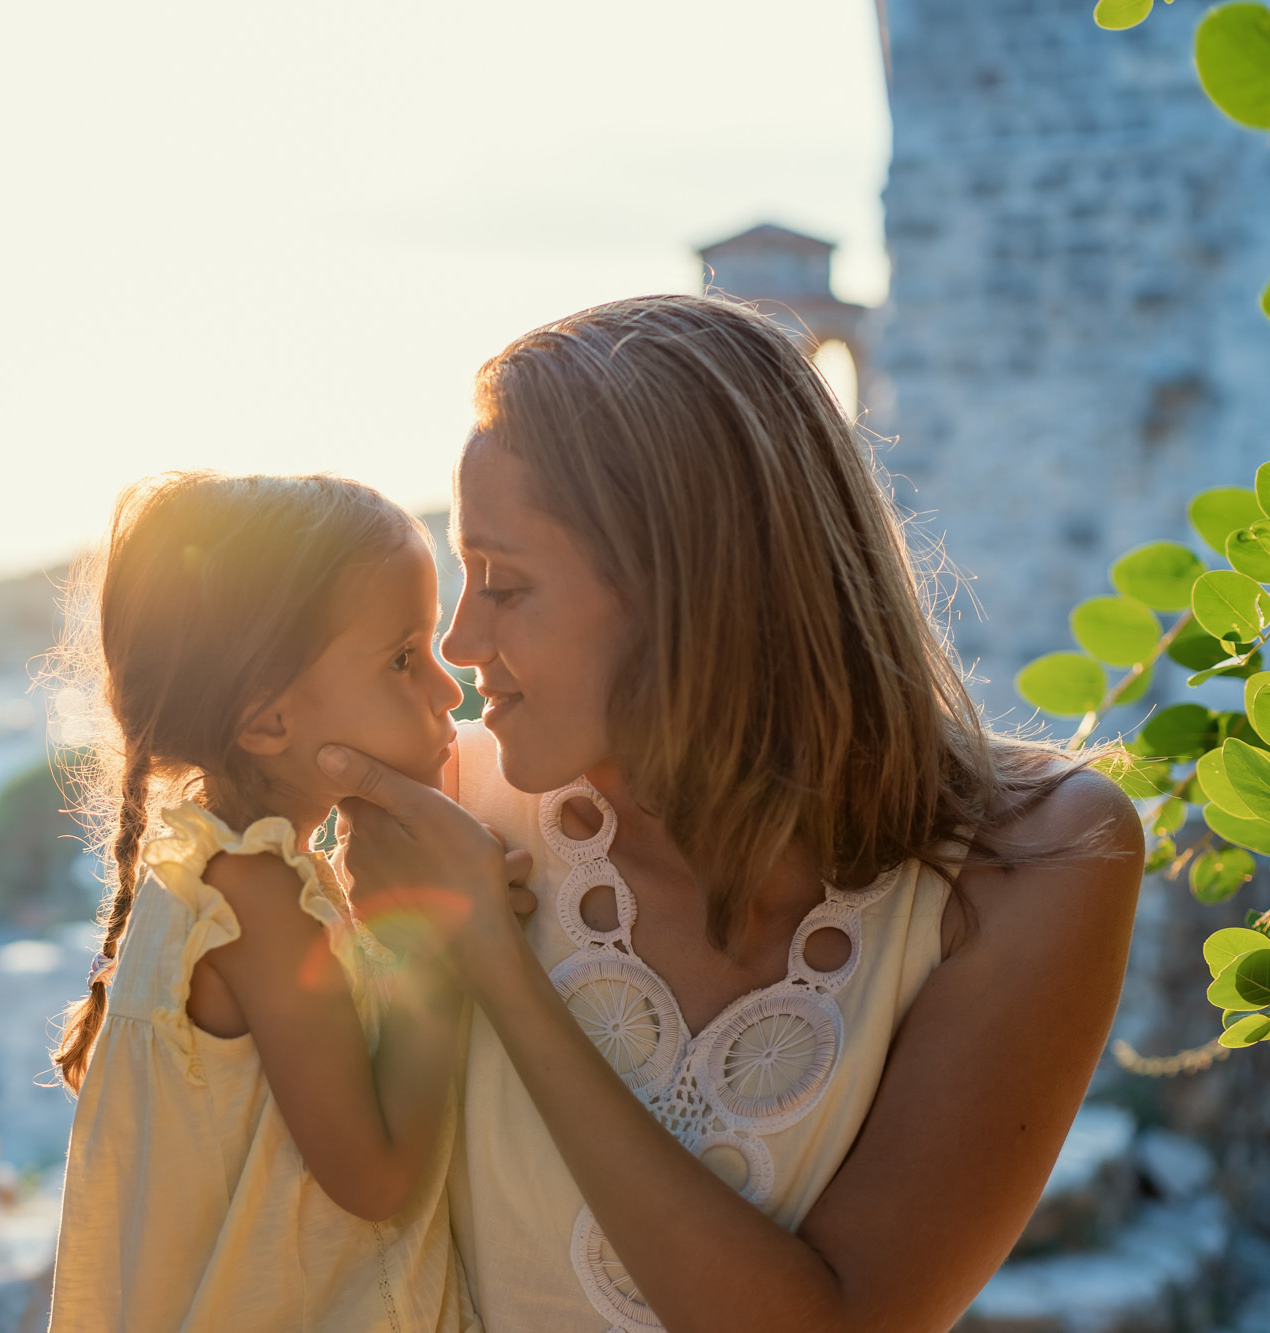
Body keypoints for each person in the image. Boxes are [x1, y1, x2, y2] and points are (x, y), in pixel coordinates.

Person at [319, 295, 1145, 1333]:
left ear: (688, 591)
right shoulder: (439, 803)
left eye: (502, 583)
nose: (458, 641)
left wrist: (491, 955)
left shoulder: (1039, 858)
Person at [45, 472, 486, 1332]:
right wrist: (437, 942)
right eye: (404, 658)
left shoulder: (212, 874)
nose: (446, 688)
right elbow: (377, 1181)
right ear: (268, 721)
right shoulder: (255, 898)